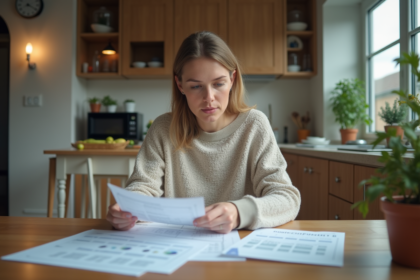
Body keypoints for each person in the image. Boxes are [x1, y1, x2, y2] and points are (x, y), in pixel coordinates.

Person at [106, 31, 301, 233]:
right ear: (180, 85)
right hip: (175, 247)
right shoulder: (163, 128)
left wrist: (239, 211)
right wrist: (128, 209)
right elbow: (143, 186)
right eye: (196, 86)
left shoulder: (255, 125)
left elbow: (287, 198)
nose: (209, 98)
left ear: (232, 79)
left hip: (239, 246)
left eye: (218, 84)